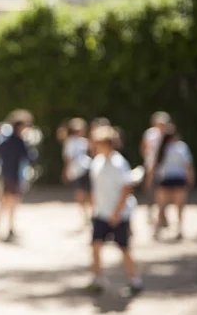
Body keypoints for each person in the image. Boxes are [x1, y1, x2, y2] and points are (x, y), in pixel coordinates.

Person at [87, 126, 142, 297]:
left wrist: (117, 214)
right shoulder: (96, 163)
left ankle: (135, 280)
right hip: (101, 213)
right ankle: (97, 279)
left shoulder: (120, 164)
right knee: (96, 246)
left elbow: (126, 189)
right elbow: (95, 189)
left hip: (118, 215)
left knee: (124, 249)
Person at [150, 124, 195, 240]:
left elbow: (155, 165)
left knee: (161, 206)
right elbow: (188, 165)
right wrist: (191, 177)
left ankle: (158, 230)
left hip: (166, 179)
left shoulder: (162, 147)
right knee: (178, 207)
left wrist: (151, 178)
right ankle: (178, 229)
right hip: (177, 179)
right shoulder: (181, 147)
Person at [0, 113, 33, 242]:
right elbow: (29, 157)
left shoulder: (5, 140)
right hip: (15, 175)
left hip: (6, 173)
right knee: (12, 201)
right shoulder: (18, 141)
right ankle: (9, 226)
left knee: (5, 200)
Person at [61, 118, 92, 226]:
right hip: (78, 171)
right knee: (81, 193)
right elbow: (68, 158)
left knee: (86, 193)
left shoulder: (83, 141)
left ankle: (88, 213)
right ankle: (85, 214)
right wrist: (66, 171)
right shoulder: (71, 142)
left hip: (84, 169)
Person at [141, 111, 171, 222]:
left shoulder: (169, 136)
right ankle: (150, 209)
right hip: (151, 165)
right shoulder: (150, 134)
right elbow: (144, 148)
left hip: (165, 167)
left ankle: (162, 213)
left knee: (163, 191)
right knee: (150, 188)